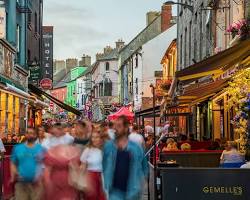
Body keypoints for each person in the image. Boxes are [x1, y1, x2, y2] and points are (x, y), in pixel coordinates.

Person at [103, 115, 148, 200]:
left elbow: (144, 167)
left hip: (132, 192)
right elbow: (104, 164)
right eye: (115, 125)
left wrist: (139, 184)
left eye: (119, 126)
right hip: (114, 192)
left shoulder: (136, 148)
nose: (116, 128)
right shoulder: (109, 146)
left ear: (126, 128)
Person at [10, 127, 45, 200]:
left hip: (37, 184)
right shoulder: (17, 148)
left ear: (35, 135)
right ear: (25, 135)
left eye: (32, 133)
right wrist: (14, 174)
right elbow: (13, 162)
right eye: (28, 133)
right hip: (21, 184)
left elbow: (45, 165)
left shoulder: (41, 149)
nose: (29, 135)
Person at [80, 129, 106, 200]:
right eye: (93, 137)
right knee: (91, 197)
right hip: (91, 177)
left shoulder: (105, 150)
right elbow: (83, 166)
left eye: (97, 137)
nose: (94, 139)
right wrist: (80, 180)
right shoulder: (88, 150)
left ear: (101, 138)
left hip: (103, 177)